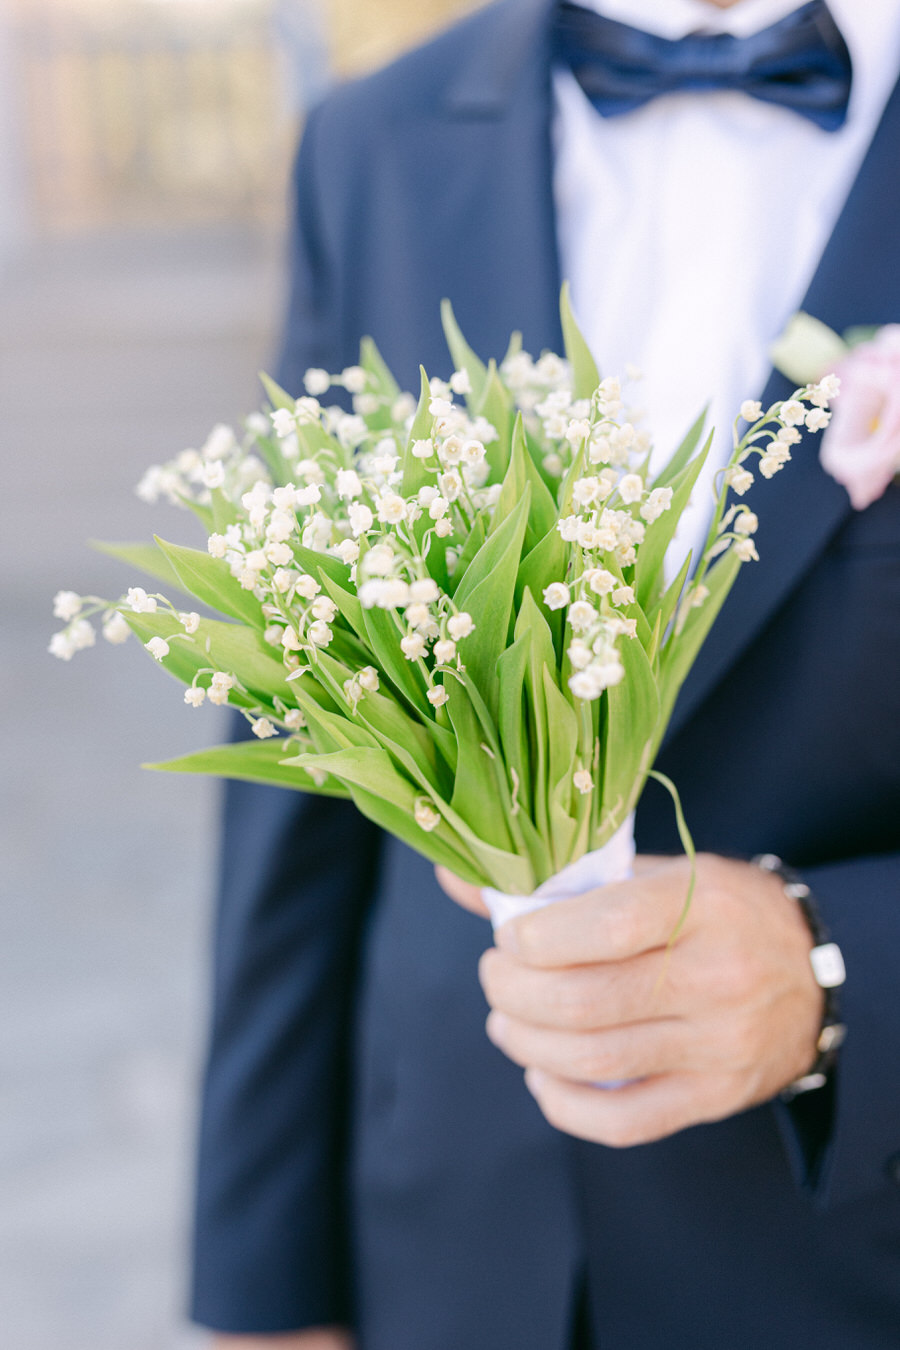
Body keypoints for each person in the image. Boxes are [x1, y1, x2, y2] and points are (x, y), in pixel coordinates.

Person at [190, 2, 900, 1347]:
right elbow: (297, 753)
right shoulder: (373, 140)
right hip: (449, 1247)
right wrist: (261, 1290)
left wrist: (837, 968)